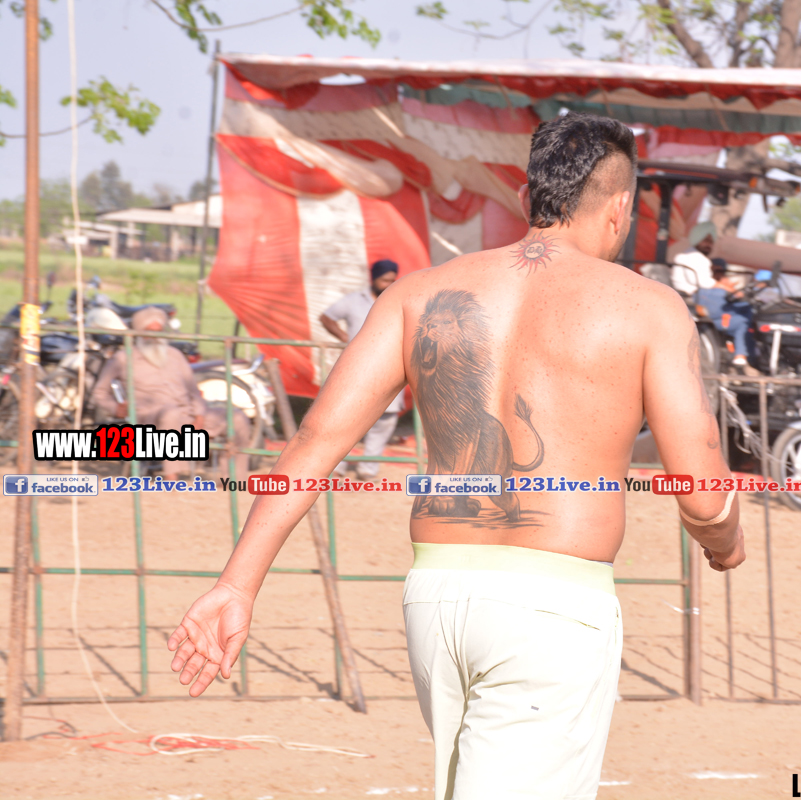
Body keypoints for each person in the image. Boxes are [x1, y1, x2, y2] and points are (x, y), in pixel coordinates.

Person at [167, 112, 745, 800]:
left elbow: (314, 440)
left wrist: (236, 585)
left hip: (437, 596)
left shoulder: (416, 293)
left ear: (528, 198)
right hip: (554, 605)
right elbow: (703, 493)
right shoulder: (649, 307)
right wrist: (726, 542)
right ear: (621, 207)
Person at [93, 307, 250, 480]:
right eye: (149, 332)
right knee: (171, 413)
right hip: (149, 417)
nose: (155, 337)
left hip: (187, 415)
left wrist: (199, 415)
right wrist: (116, 408)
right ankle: (172, 477)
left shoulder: (175, 355)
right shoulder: (123, 358)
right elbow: (100, 392)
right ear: (139, 333)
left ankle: (234, 479)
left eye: (159, 331)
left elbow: (193, 391)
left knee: (237, 417)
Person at [319, 259, 409, 481]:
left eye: (392, 280)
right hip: (356, 368)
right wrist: (344, 338)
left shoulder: (400, 300)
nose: (388, 284)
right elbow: (326, 317)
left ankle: (368, 469)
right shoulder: (354, 300)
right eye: (384, 280)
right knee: (347, 418)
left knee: (385, 419)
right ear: (374, 279)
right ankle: (337, 466)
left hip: (390, 367)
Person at [694, 259, 759, 371]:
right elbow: (718, 305)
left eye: (721, 270)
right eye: (717, 270)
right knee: (743, 321)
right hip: (716, 319)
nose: (720, 273)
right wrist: (732, 291)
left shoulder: (717, 284)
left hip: (722, 313)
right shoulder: (707, 285)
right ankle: (741, 354)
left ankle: (747, 355)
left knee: (747, 311)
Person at [670, 220, 716, 294]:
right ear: (697, 238)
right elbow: (704, 283)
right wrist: (726, 287)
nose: (708, 244)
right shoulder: (694, 256)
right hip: (690, 296)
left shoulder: (690, 254)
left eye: (711, 242)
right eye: (706, 240)